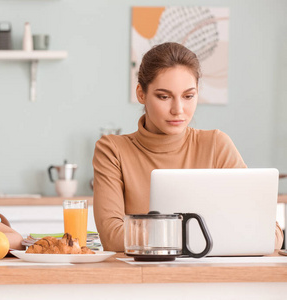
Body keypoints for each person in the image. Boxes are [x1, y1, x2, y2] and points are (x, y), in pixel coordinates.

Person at [92, 42, 284, 252]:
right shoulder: (112, 150)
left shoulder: (216, 145)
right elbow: (113, 237)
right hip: (143, 280)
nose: (178, 109)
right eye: (164, 96)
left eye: (188, 96)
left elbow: (269, 234)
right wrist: (205, 235)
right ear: (141, 94)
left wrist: (156, 235)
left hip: (212, 279)